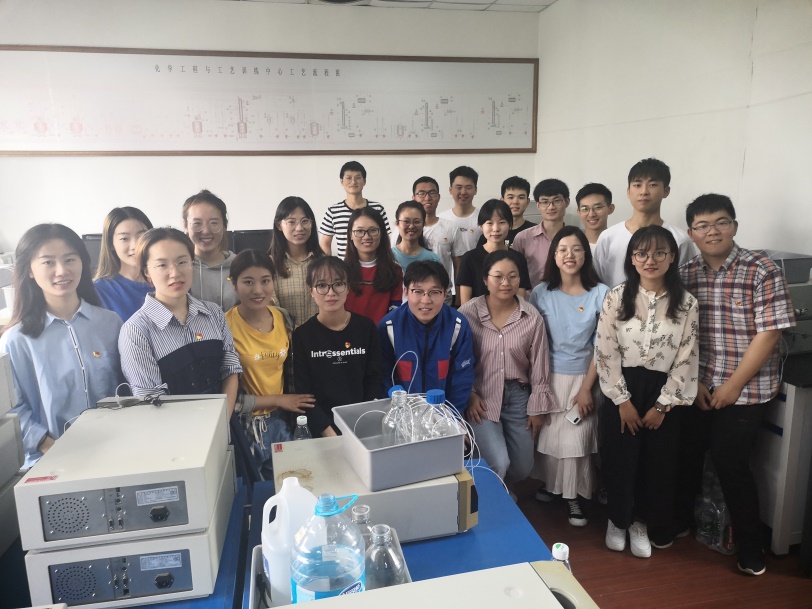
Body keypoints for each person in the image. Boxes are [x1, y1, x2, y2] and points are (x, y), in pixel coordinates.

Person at [680, 194, 795, 576]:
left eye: (721, 222)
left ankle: (751, 547)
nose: (712, 231)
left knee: (731, 464)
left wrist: (732, 386)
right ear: (691, 233)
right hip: (699, 385)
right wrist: (696, 380)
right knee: (690, 456)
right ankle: (693, 524)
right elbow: (682, 334)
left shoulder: (761, 269)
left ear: (734, 226)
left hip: (746, 390)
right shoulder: (686, 274)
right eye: (702, 225)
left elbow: (769, 334)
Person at [595, 225, 698, 558]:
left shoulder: (686, 303)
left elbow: (687, 356)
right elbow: (605, 350)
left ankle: (640, 521)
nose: (650, 260)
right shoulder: (616, 296)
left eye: (659, 253)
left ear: (672, 257)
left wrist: (663, 405)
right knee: (619, 458)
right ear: (632, 259)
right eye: (641, 253)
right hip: (621, 387)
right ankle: (618, 520)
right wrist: (622, 401)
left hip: (664, 391)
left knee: (657, 463)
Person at [0, 224, 123, 467]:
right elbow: (11, 411)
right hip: (50, 459)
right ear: (30, 270)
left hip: (115, 450)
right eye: (48, 262)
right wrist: (49, 445)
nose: (62, 270)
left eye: (70, 259)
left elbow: (125, 387)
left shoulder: (111, 323)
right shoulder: (16, 339)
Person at [530, 226, 609, 527]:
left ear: (586, 255)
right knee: (552, 439)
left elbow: (603, 346)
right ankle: (553, 486)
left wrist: (587, 388)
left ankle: (573, 496)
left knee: (576, 442)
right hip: (549, 376)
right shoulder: (541, 292)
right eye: (562, 249)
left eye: (576, 249)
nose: (569, 255)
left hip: (585, 378)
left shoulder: (601, 293)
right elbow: (533, 343)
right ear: (554, 255)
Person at [119, 227, 242, 415]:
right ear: (147, 272)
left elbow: (230, 369)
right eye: (162, 265)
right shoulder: (136, 331)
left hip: (224, 423)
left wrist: (222, 422)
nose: (175, 273)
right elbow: (150, 401)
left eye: (182, 262)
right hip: (172, 429)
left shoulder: (214, 313)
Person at [459, 250, 552, 489]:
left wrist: (537, 408)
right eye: (498, 276)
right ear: (485, 279)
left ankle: (499, 489)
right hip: (481, 396)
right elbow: (454, 362)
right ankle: (493, 499)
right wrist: (468, 394)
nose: (506, 283)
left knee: (522, 467)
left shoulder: (531, 317)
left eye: (512, 276)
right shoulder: (467, 314)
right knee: (498, 462)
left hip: (517, 396)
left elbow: (539, 365)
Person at [225, 249, 316, 478]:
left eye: (265, 281)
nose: (258, 290)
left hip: (281, 421)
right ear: (234, 283)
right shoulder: (224, 326)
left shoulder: (284, 318)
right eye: (248, 282)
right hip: (245, 428)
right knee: (256, 493)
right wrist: (278, 399)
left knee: (292, 484)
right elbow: (228, 400)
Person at [292, 257, 383, 437]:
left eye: (338, 284)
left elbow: (374, 379)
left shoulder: (366, 328)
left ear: (348, 287)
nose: (331, 293)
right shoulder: (302, 335)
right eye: (322, 285)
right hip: (322, 430)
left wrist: (362, 423)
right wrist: (329, 433)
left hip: (362, 426)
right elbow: (304, 394)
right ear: (311, 291)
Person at [378, 261, 475, 414]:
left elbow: (462, 379)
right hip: (401, 413)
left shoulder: (458, 325)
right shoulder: (389, 326)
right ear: (406, 291)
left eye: (434, 292)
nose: (426, 300)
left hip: (445, 413)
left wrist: (452, 417)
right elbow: (383, 376)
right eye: (418, 291)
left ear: (445, 294)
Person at [594, 158, 695, 288]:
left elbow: (686, 284)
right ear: (628, 191)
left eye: (652, 185)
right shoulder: (608, 237)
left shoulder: (680, 239)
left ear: (666, 191)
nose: (644, 192)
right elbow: (597, 285)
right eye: (637, 185)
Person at [457, 199, 531, 304]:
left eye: (501, 222)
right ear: (481, 226)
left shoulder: (518, 258)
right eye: (489, 223)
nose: (496, 229)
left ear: (510, 225)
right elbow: (465, 304)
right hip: (476, 314)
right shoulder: (469, 258)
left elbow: (520, 300)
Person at [268, 196, 323, 328]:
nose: (299, 228)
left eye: (305, 221)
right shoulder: (269, 265)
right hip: (284, 337)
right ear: (279, 225)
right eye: (291, 222)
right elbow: (270, 310)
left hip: (321, 336)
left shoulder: (324, 262)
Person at [93, 206, 154, 322]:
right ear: (111, 244)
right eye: (124, 238)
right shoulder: (99, 291)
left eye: (142, 235)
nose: (135, 245)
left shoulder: (169, 280)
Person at [319, 161, 391, 258]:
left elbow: (385, 239)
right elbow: (325, 244)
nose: (353, 182)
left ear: (364, 181)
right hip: (344, 266)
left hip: (373, 263)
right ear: (341, 181)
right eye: (348, 178)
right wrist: (328, 265)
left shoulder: (377, 208)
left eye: (357, 178)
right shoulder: (333, 211)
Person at [344, 207, 403, 324]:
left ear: (381, 233)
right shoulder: (341, 271)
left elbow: (395, 310)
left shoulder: (394, 270)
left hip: (382, 332)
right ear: (350, 234)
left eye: (373, 230)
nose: (366, 237)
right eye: (359, 231)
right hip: (347, 332)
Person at [182, 189, 238, 311]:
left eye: (213, 223)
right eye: (197, 223)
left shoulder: (240, 266)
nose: (206, 231)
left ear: (224, 225)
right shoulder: (180, 269)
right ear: (185, 225)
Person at [413, 176, 465, 305]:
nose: (427, 198)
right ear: (413, 198)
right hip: (413, 298)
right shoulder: (404, 229)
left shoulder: (451, 227)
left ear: (439, 197)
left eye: (432, 193)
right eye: (421, 193)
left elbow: (458, 265)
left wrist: (459, 299)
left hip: (443, 297)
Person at [511, 178, 570, 287]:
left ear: (566, 202)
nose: (551, 207)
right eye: (545, 202)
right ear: (538, 205)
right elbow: (514, 273)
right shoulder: (523, 238)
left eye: (557, 201)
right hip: (532, 296)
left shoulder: (575, 238)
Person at [477, 176, 537, 248]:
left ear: (528, 202)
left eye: (521, 197)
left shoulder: (535, 232)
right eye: (510, 197)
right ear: (502, 200)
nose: (515, 202)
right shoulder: (490, 234)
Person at [438, 166, 481, 252]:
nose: (463, 192)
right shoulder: (441, 219)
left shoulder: (484, 218)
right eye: (459, 187)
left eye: (468, 187)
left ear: (475, 190)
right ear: (450, 190)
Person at [391, 200, 441, 274]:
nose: (411, 226)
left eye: (417, 222)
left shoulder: (433, 259)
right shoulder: (388, 257)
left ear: (423, 224)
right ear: (397, 224)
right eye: (406, 221)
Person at [575, 183, 615, 252]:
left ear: (610, 209)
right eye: (585, 209)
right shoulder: (571, 244)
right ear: (579, 212)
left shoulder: (619, 243)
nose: (591, 214)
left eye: (598, 207)